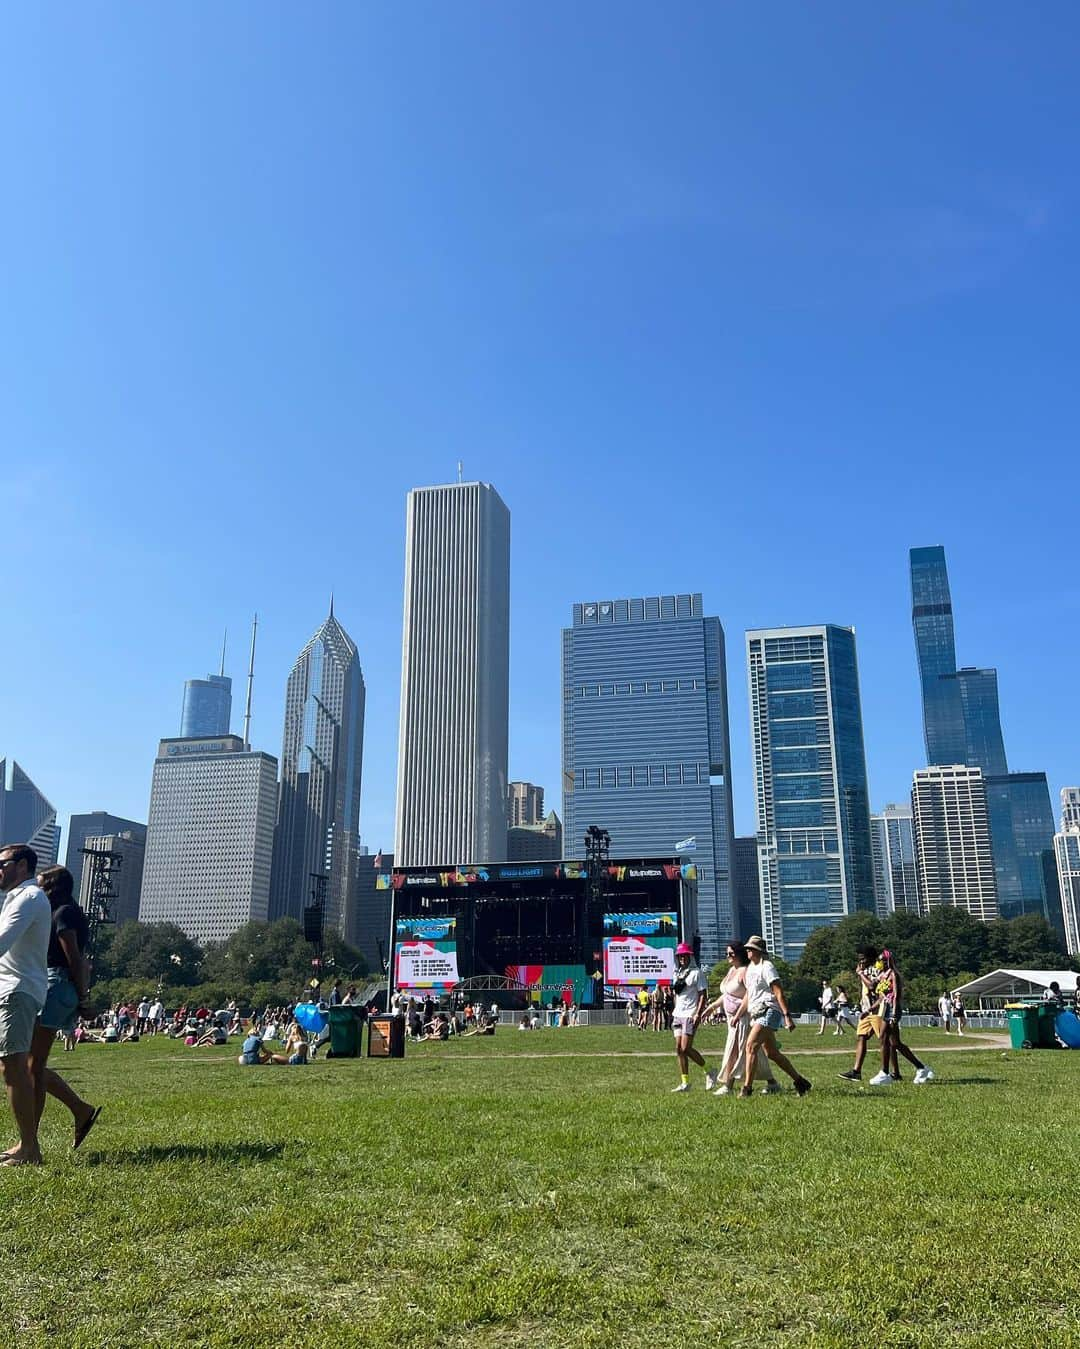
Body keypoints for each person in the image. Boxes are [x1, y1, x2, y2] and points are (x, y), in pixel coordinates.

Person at [21, 866, 101, 1154]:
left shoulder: (64, 913)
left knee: (32, 1065)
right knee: (31, 1064)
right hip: (54, 983)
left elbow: (75, 958)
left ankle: (28, 1142)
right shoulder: (64, 912)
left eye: (41, 885)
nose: (37, 890)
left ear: (53, 887)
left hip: (55, 984)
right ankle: (79, 1109)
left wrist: (83, 997)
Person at [0, 844, 52, 1165]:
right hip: (12, 990)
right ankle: (27, 1145)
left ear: (22, 865)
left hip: (16, 992)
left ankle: (29, 1148)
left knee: (14, 1068)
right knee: (14, 1067)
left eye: (1, 863)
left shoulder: (30, 898)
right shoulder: (16, 899)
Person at [736, 935, 811, 1098]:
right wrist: (739, 1014)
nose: (748, 951)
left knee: (751, 1046)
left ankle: (747, 1089)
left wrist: (786, 1015)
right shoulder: (750, 969)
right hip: (756, 1012)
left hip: (769, 1010)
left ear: (758, 951)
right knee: (771, 1053)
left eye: (751, 948)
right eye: (747, 948)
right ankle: (800, 1082)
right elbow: (749, 994)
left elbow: (778, 991)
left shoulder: (767, 967)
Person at [704, 941, 778, 1095]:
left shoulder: (745, 971)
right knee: (754, 1052)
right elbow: (726, 995)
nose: (728, 956)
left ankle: (728, 1085)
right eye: (727, 954)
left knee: (735, 1051)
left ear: (739, 954)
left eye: (731, 953)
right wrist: (711, 1007)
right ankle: (772, 1082)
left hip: (743, 1018)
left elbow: (749, 995)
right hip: (732, 1019)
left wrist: (738, 1015)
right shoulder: (732, 970)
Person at [669, 942, 716, 1094]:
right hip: (678, 1014)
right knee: (678, 1049)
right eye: (680, 956)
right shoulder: (676, 973)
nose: (682, 958)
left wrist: (698, 1013)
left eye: (685, 955)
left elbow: (702, 994)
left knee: (686, 1048)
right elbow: (677, 994)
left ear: (690, 956)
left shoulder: (697, 973)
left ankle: (709, 1070)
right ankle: (685, 1082)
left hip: (690, 1013)